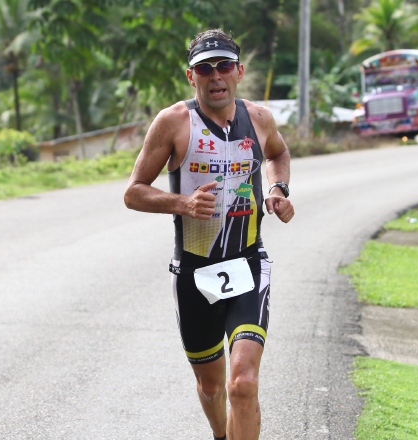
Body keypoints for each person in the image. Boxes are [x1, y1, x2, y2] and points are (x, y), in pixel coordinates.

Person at [124, 28, 294, 440]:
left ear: (238, 71)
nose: (215, 76)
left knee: (242, 384)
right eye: (205, 68)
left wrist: (278, 189)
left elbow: (278, 153)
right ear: (191, 76)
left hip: (248, 264)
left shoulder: (259, 119)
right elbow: (133, 193)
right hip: (194, 272)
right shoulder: (173, 123)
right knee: (212, 386)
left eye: (223, 66)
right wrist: (181, 203)